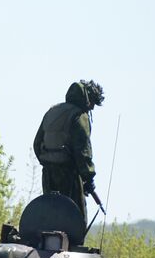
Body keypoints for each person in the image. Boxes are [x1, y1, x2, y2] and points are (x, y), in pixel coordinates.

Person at [32, 79, 104, 223]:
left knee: (51, 216)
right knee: (76, 220)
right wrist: (88, 178)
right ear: (88, 99)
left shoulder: (52, 111)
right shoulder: (79, 116)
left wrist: (49, 163)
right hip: (69, 175)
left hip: (48, 174)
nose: (92, 109)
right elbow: (83, 151)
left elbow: (37, 143)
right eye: (93, 104)